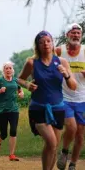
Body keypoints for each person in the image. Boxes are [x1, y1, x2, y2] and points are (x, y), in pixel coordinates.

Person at [18, 30, 77, 170]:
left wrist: (66, 75)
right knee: (51, 142)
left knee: (54, 146)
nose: (45, 44)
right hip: (38, 107)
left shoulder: (61, 62)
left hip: (57, 108)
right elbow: (20, 79)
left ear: (52, 43)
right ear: (37, 46)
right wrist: (28, 85)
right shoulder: (32, 63)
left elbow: (73, 86)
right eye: (41, 42)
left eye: (48, 41)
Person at [56, 23, 85, 170]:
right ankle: (64, 151)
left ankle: (73, 163)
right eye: (73, 33)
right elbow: (46, 63)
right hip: (64, 97)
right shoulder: (59, 51)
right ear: (67, 35)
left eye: (78, 33)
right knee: (71, 127)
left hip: (82, 98)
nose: (76, 35)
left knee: (80, 132)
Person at [0, 62, 24, 161]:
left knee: (13, 131)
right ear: (3, 70)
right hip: (2, 110)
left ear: (13, 70)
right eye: (6, 68)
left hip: (14, 109)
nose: (8, 70)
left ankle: (11, 154)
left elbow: (20, 90)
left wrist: (21, 94)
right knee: (4, 134)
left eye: (10, 68)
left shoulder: (15, 80)